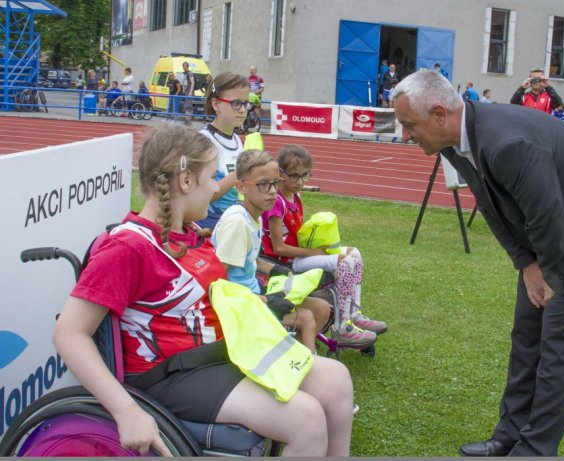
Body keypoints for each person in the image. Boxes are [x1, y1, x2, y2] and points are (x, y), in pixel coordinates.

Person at [52, 124, 354, 457]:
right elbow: (69, 333)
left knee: (336, 379)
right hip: (172, 377)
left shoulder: (190, 234)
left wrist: (264, 301)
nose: (215, 188)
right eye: (211, 177)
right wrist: (126, 411)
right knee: (305, 419)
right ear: (185, 181)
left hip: (220, 356)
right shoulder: (127, 247)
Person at [390, 70, 564, 456]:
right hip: (557, 227)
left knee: (558, 337)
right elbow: (493, 207)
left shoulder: (505, 142)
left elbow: (548, 216)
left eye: (409, 125)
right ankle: (508, 436)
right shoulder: (455, 140)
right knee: (528, 331)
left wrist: (551, 279)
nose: (405, 135)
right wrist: (527, 264)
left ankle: (534, 450)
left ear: (440, 113)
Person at [261, 144, 388, 347]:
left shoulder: (295, 196)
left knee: (355, 253)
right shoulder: (277, 202)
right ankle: (341, 327)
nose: (300, 182)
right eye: (294, 176)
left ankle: (353, 314)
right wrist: (314, 251)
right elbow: (279, 248)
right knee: (344, 262)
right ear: (280, 173)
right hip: (286, 262)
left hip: (300, 256)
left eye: (305, 176)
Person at [212, 149, 331, 353]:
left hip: (255, 293)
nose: (273, 191)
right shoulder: (238, 223)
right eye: (263, 185)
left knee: (321, 308)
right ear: (241, 187)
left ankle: (287, 354)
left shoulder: (253, 216)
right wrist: (266, 301)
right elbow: (217, 279)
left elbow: (248, 259)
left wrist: (277, 271)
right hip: (242, 306)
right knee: (307, 317)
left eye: (276, 183)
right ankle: (304, 363)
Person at [196, 72, 250, 230]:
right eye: (235, 103)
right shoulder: (204, 142)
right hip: (210, 226)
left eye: (245, 103)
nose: (242, 110)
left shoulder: (237, 140)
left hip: (233, 222)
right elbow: (202, 196)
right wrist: (241, 172)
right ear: (216, 104)